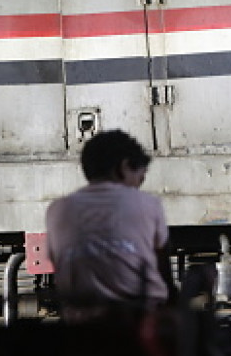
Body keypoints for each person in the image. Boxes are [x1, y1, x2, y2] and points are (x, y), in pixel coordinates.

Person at [45, 129, 175, 322]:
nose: (138, 186)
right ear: (123, 168)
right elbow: (163, 270)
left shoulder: (57, 210)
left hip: (80, 324)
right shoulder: (147, 203)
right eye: (140, 177)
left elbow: (60, 266)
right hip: (138, 322)